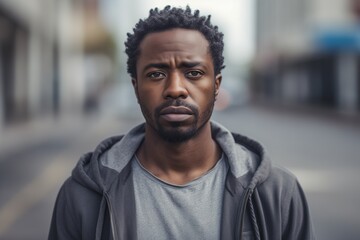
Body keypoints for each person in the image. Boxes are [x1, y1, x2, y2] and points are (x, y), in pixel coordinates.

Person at [49, 5, 315, 240]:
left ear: (216, 86)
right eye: (155, 74)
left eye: (194, 73)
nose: (175, 88)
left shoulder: (277, 193)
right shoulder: (82, 196)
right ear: (136, 87)